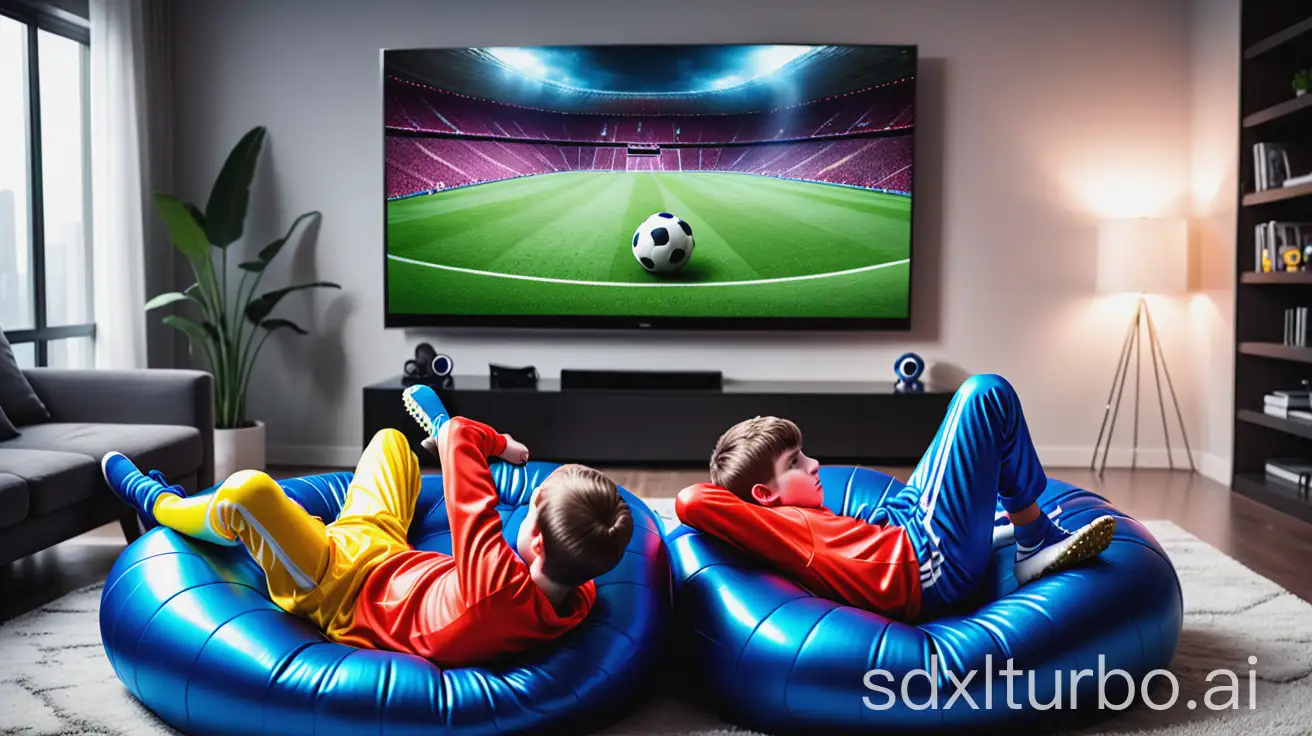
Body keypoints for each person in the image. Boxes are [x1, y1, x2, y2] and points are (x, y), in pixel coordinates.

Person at [100, 384, 633, 667]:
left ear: (536, 540)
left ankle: (158, 500)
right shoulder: (578, 598)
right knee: (390, 443)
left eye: (533, 505)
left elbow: (463, 443)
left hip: (338, 586)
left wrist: (498, 444)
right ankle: (423, 435)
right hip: (385, 551)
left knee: (248, 491)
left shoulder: (493, 576)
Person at [675, 373, 1115, 622]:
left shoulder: (805, 516)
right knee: (983, 395)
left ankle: (999, 525)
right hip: (924, 561)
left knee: (971, 438)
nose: (814, 465)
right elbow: (692, 500)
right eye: (794, 463)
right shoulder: (776, 524)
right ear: (763, 495)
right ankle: (1034, 536)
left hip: (898, 527)